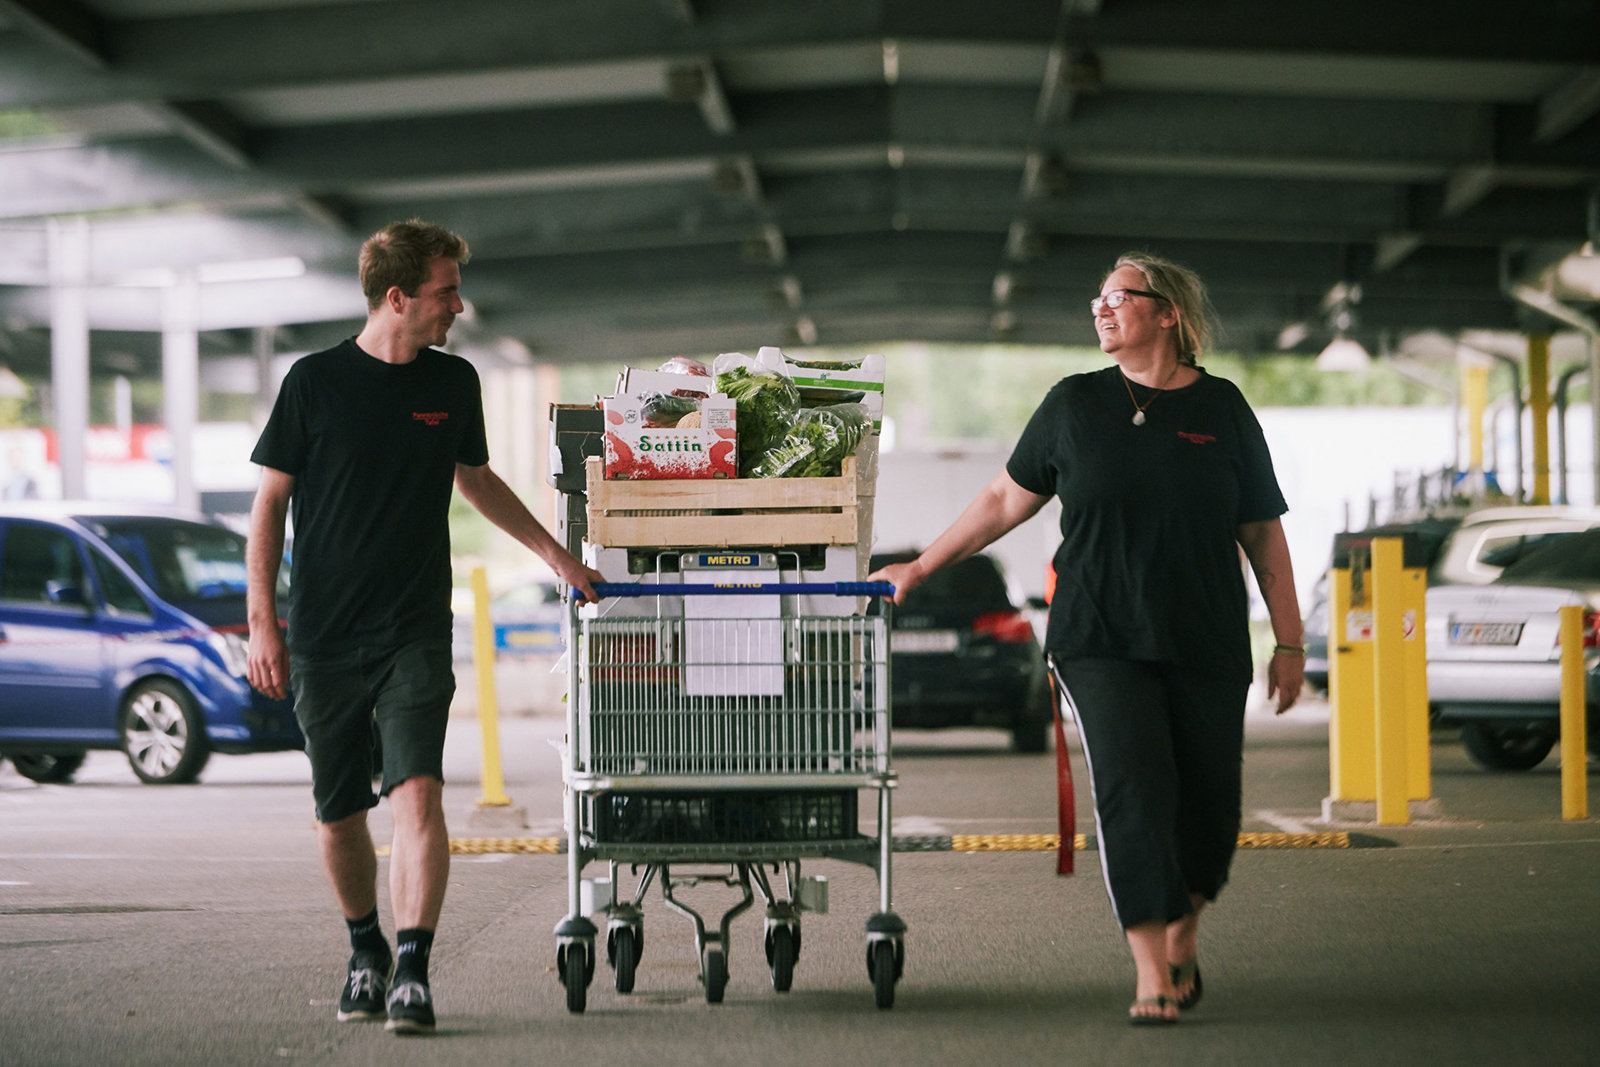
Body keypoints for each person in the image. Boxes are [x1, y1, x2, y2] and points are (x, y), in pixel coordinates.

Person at [870, 251, 1302, 1026]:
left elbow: (1263, 531)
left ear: (1167, 312)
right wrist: (924, 565)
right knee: (1134, 788)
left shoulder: (1224, 409)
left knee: (1209, 806)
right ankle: (1149, 972)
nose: (1101, 310)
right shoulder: (1074, 405)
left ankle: (1183, 932)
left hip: (1205, 637)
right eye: (1097, 300)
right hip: (1098, 636)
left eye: (1119, 297)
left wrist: (1291, 642)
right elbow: (1005, 498)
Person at [245, 219, 604, 1036]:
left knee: (418, 791)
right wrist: (264, 624)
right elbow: (268, 506)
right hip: (325, 637)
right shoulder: (312, 383)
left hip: (413, 628)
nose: (459, 306)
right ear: (398, 296)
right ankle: (365, 947)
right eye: (446, 292)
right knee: (338, 812)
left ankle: (411, 965)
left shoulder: (453, 383)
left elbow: (477, 481)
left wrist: (557, 557)